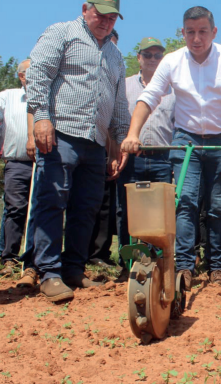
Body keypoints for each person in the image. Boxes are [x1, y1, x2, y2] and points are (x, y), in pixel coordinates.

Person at [121, 6, 221, 289]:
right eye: (190, 32)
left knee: (219, 205)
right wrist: (133, 133)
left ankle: (216, 266)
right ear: (182, 33)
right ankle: (184, 265)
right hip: (186, 141)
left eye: (202, 32)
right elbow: (149, 97)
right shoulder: (172, 61)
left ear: (214, 32)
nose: (196, 38)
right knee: (186, 203)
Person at [26, 0, 130, 302]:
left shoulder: (115, 54)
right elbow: (38, 75)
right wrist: (42, 117)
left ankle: (74, 267)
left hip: (96, 142)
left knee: (87, 208)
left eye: (113, 18)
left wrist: (118, 144)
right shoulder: (61, 33)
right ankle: (48, 272)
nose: (107, 23)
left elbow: (119, 104)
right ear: (86, 8)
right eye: (101, 15)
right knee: (52, 199)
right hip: (60, 135)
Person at [116, 36, 176, 276]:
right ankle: (129, 263)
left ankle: (156, 261)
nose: (153, 59)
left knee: (160, 212)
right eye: (148, 55)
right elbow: (118, 119)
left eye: (158, 55)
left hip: (163, 158)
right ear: (139, 58)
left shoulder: (173, 89)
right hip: (131, 159)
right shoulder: (125, 85)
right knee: (127, 211)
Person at [88, 27, 120, 268]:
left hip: (110, 151)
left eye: (114, 42)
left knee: (107, 204)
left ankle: (99, 253)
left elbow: (117, 120)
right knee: (88, 202)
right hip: (90, 143)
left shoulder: (116, 70)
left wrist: (114, 154)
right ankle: (79, 255)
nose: (110, 45)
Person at [0, 60, 33, 277]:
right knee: (15, 208)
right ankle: (8, 257)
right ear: (22, 76)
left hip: (45, 165)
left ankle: (33, 260)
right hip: (17, 162)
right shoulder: (7, 96)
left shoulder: (50, 97)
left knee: (41, 212)